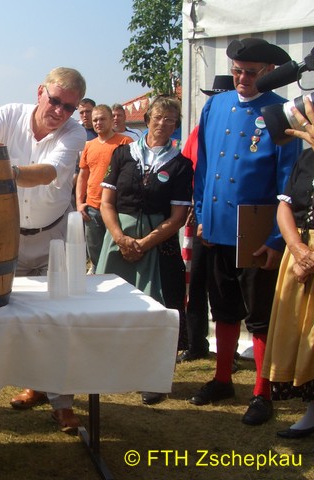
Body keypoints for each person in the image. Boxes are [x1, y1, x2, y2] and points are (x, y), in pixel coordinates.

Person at [0, 67, 87, 433]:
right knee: (19, 320)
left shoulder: (75, 133)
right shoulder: (10, 113)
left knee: (58, 321)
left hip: (53, 238)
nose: (59, 112)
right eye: (55, 101)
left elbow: (47, 173)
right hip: (7, 238)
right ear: (40, 92)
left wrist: (0, 169)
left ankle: (63, 402)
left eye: (69, 107)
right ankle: (34, 385)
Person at [189, 38, 301, 427]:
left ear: (268, 72)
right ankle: (222, 379)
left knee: (260, 315)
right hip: (217, 224)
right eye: (236, 71)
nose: (241, 78)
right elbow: (204, 167)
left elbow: (288, 179)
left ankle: (262, 392)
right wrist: (201, 214)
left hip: (256, 228)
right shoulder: (215, 105)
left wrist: (275, 239)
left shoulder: (281, 111)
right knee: (222, 307)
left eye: (250, 73)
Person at [96, 95, 192, 405]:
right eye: (158, 117)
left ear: (176, 125)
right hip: (118, 238)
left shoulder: (181, 165)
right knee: (111, 305)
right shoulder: (123, 154)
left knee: (158, 309)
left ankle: (155, 377)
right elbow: (106, 202)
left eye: (170, 120)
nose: (163, 124)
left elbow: (178, 217)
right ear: (148, 119)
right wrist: (120, 238)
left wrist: (144, 243)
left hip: (158, 243)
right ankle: (114, 368)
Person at [262, 97, 314, 439]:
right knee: (303, 337)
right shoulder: (306, 158)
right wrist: (297, 249)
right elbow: (286, 205)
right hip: (301, 252)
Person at [177, 75, 235, 363]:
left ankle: (228, 351)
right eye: (214, 96)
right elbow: (188, 168)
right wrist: (192, 203)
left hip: (230, 218)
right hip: (199, 214)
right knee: (196, 281)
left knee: (226, 287)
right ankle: (196, 342)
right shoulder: (200, 130)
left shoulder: (239, 128)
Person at [76, 104, 132, 272]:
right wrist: (79, 202)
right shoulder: (89, 145)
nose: (98, 123)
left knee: (117, 250)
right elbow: (83, 176)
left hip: (116, 207)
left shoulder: (125, 142)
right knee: (95, 251)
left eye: (102, 119)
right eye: (95, 120)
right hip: (92, 207)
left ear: (111, 120)